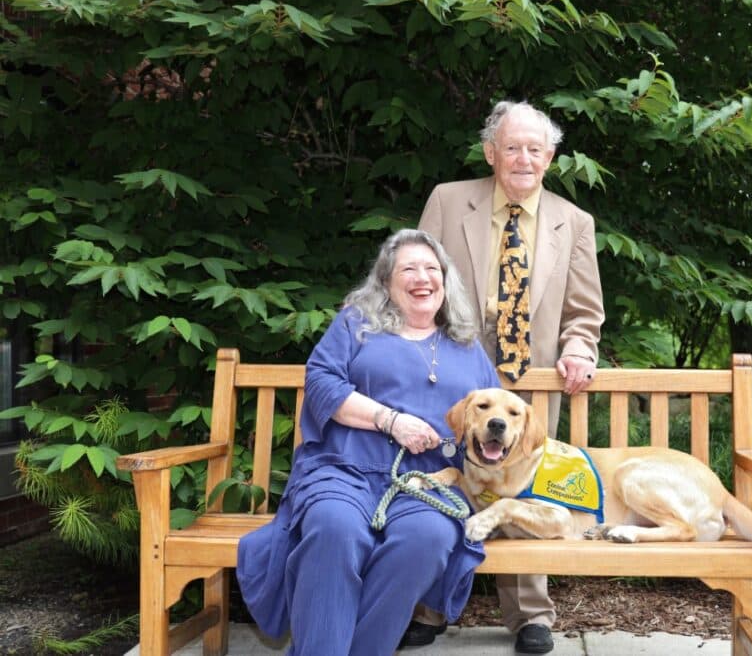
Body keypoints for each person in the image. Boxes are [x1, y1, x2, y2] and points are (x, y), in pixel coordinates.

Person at [236, 229, 501, 656]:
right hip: (345, 468)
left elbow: (495, 415)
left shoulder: (467, 347)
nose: (422, 277)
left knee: (428, 539)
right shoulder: (356, 326)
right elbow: (321, 382)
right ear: (386, 282)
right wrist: (389, 419)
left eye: (432, 268)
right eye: (408, 268)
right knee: (333, 530)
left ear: (446, 282)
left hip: (428, 483)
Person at [417, 100, 605, 654]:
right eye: (512, 147)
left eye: (535, 149)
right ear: (490, 152)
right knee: (443, 476)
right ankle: (429, 606)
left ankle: (529, 616)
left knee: (525, 485)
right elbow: (417, 280)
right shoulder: (449, 202)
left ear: (550, 158)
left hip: (531, 382)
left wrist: (578, 348)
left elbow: (584, 310)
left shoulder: (575, 222)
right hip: (455, 377)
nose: (523, 158)